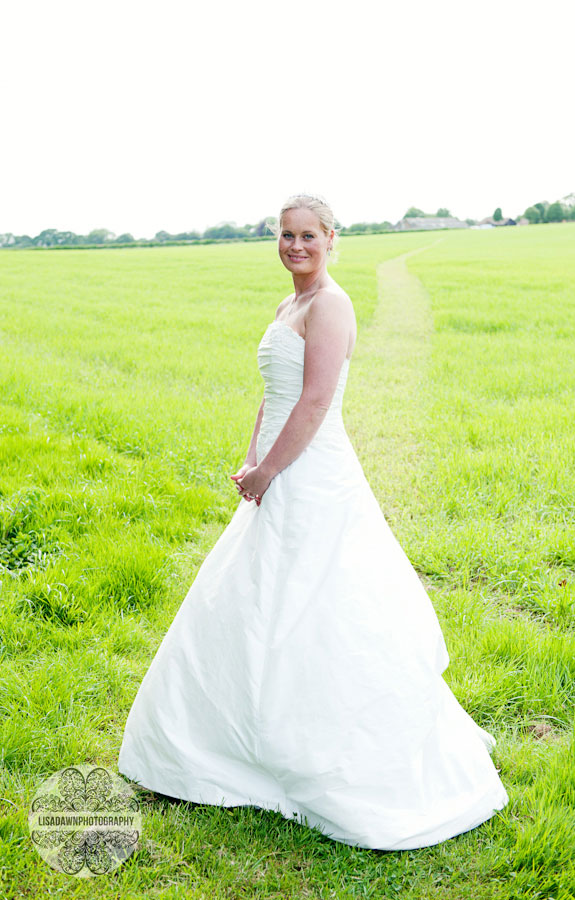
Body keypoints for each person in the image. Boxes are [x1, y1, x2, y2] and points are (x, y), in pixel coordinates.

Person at [118, 193, 509, 850]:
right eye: (286, 235)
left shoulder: (332, 304)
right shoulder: (286, 306)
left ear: (331, 239)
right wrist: (251, 459)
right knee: (249, 598)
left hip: (312, 472)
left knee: (320, 603)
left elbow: (317, 399)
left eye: (308, 236)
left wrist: (272, 470)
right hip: (275, 465)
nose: (295, 246)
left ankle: (322, 755)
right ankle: (225, 743)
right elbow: (272, 396)